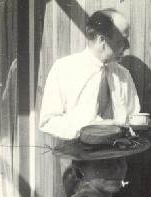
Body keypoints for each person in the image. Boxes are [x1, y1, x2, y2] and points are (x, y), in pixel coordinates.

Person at [39, 9, 140, 140]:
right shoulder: (64, 70)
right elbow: (48, 122)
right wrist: (88, 129)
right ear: (102, 40)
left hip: (118, 157)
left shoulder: (123, 76)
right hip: (77, 155)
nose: (128, 46)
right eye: (123, 40)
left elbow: (133, 116)